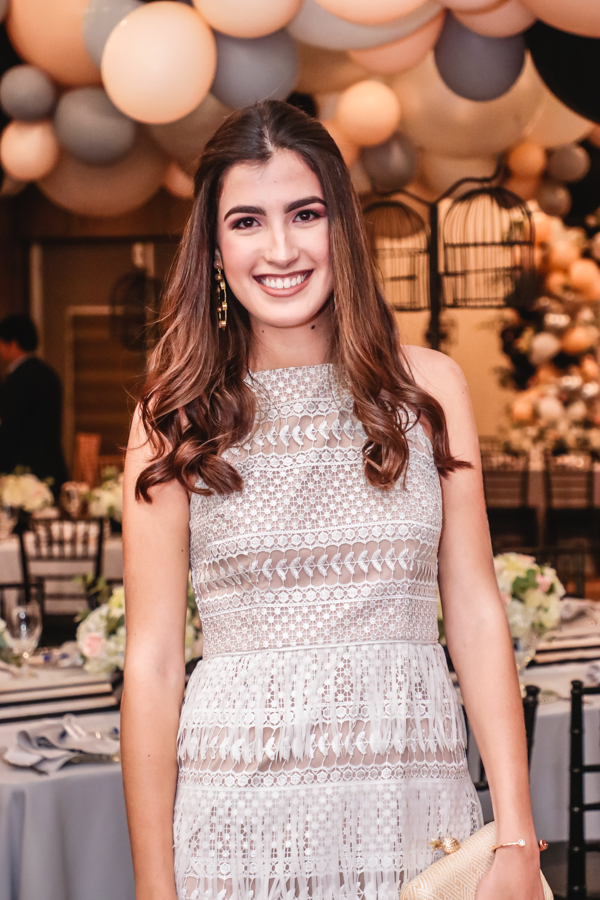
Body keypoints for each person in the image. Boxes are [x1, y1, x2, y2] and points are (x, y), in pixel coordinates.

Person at [122, 100, 545, 900]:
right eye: (247, 222)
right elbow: (150, 664)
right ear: (214, 246)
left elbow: (476, 610)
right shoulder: (172, 419)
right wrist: (153, 885)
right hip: (237, 829)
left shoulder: (428, 390)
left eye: (305, 214)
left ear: (341, 226)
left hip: (416, 821)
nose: (280, 249)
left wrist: (517, 836)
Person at [0, 314, 68, 495]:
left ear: (13, 344)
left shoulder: (17, 380)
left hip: (24, 473)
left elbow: (9, 428)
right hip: (53, 465)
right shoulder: (48, 373)